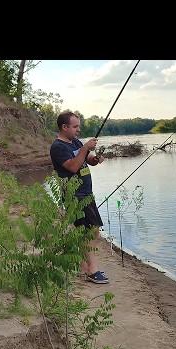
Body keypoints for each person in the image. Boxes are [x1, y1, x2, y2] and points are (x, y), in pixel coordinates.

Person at [50, 110, 109, 284]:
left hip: (86, 193)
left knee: (89, 231)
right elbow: (73, 167)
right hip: (74, 195)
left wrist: (96, 158)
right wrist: (85, 148)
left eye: (79, 126)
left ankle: (84, 266)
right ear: (64, 127)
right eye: (75, 127)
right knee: (90, 232)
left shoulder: (74, 141)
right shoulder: (58, 147)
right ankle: (92, 271)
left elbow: (88, 160)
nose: (78, 130)